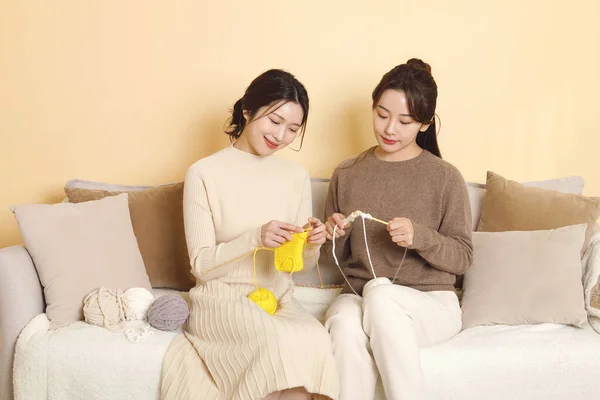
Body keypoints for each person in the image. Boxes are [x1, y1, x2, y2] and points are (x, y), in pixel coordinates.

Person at [161, 69, 338, 400]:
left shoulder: (296, 176)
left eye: (292, 129)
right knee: (276, 345)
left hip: (278, 298)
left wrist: (313, 244)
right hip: (220, 299)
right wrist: (255, 238)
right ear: (248, 110)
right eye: (274, 120)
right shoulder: (203, 173)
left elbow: (295, 265)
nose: (281, 135)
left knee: (314, 341)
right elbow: (201, 265)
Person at [322, 59, 473, 400]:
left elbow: (463, 258)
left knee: (381, 294)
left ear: (424, 124)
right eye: (381, 114)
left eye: (404, 121)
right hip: (360, 298)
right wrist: (336, 233)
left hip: (431, 305)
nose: (390, 129)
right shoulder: (347, 173)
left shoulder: (445, 177)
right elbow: (336, 258)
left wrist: (421, 237)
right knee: (345, 324)